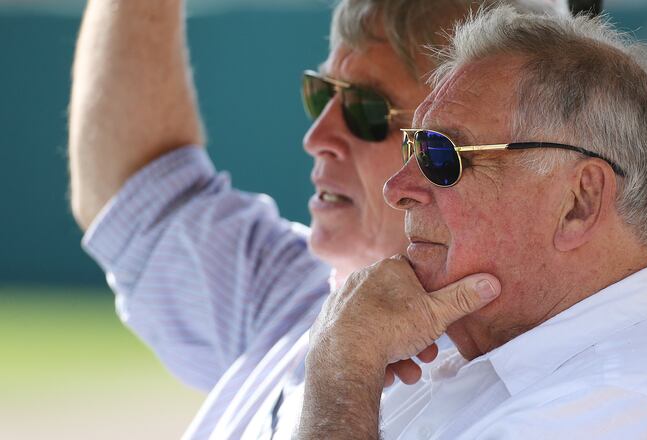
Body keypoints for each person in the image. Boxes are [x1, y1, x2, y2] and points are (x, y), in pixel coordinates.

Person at [67, 0, 571, 438]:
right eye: (321, 94)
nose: (317, 136)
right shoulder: (297, 294)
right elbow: (137, 190)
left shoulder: (556, 392)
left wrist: (344, 368)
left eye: (365, 110)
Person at [296, 7, 647, 439]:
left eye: (442, 156)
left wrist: (341, 371)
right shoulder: (496, 363)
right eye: (415, 149)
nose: (398, 188)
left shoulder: (624, 403)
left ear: (578, 203)